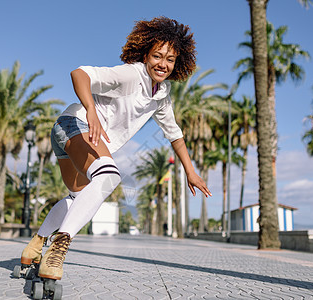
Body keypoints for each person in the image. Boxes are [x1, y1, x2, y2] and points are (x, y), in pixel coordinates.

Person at [19, 16, 212, 282]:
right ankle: (58, 250)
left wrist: (191, 171)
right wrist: (91, 111)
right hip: (75, 124)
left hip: (68, 133)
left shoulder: (161, 96)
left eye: (170, 59)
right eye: (157, 56)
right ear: (145, 54)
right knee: (109, 176)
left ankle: (36, 244)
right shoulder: (132, 74)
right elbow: (79, 74)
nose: (163, 64)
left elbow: (175, 135)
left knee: (78, 199)